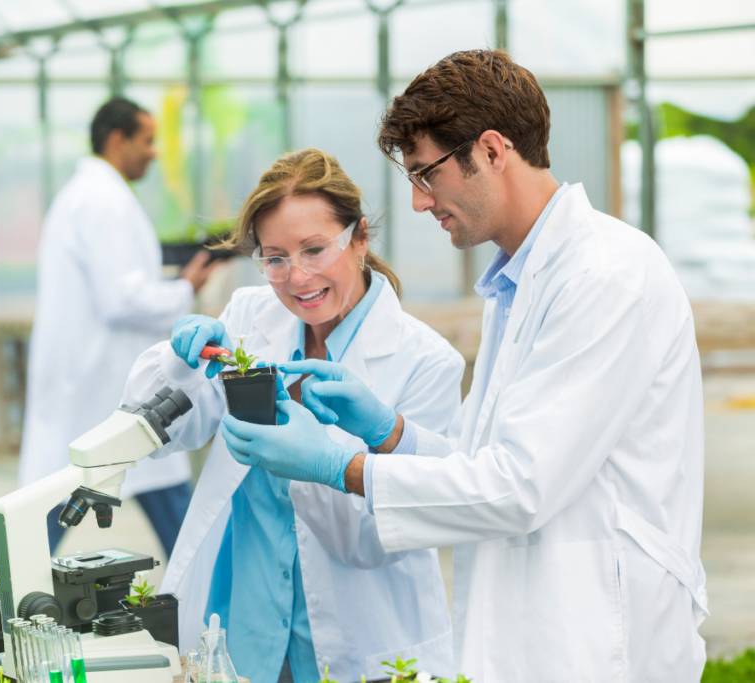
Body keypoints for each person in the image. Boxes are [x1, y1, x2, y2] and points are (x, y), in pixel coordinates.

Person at [221, 50, 708, 682]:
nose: (420, 203)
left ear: (493, 149)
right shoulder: (518, 283)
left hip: (601, 637)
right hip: (540, 629)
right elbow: (485, 463)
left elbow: (518, 486)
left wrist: (340, 466)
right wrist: (392, 434)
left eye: (427, 174)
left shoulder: (603, 276)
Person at [122, 149, 467, 683]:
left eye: (314, 249)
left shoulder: (425, 361)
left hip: (360, 642)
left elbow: (381, 539)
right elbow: (160, 431)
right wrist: (181, 362)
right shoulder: (248, 316)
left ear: (359, 239)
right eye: (275, 257)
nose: (296, 276)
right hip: (241, 623)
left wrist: (320, 465)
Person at [17, 97, 221, 557]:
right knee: (106, 488)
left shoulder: (88, 195)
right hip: (98, 380)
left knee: (82, 490)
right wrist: (184, 287)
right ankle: (210, 600)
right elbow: (120, 298)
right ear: (117, 139)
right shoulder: (102, 200)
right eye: (147, 141)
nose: (154, 152)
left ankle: (204, 590)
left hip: (91, 377)